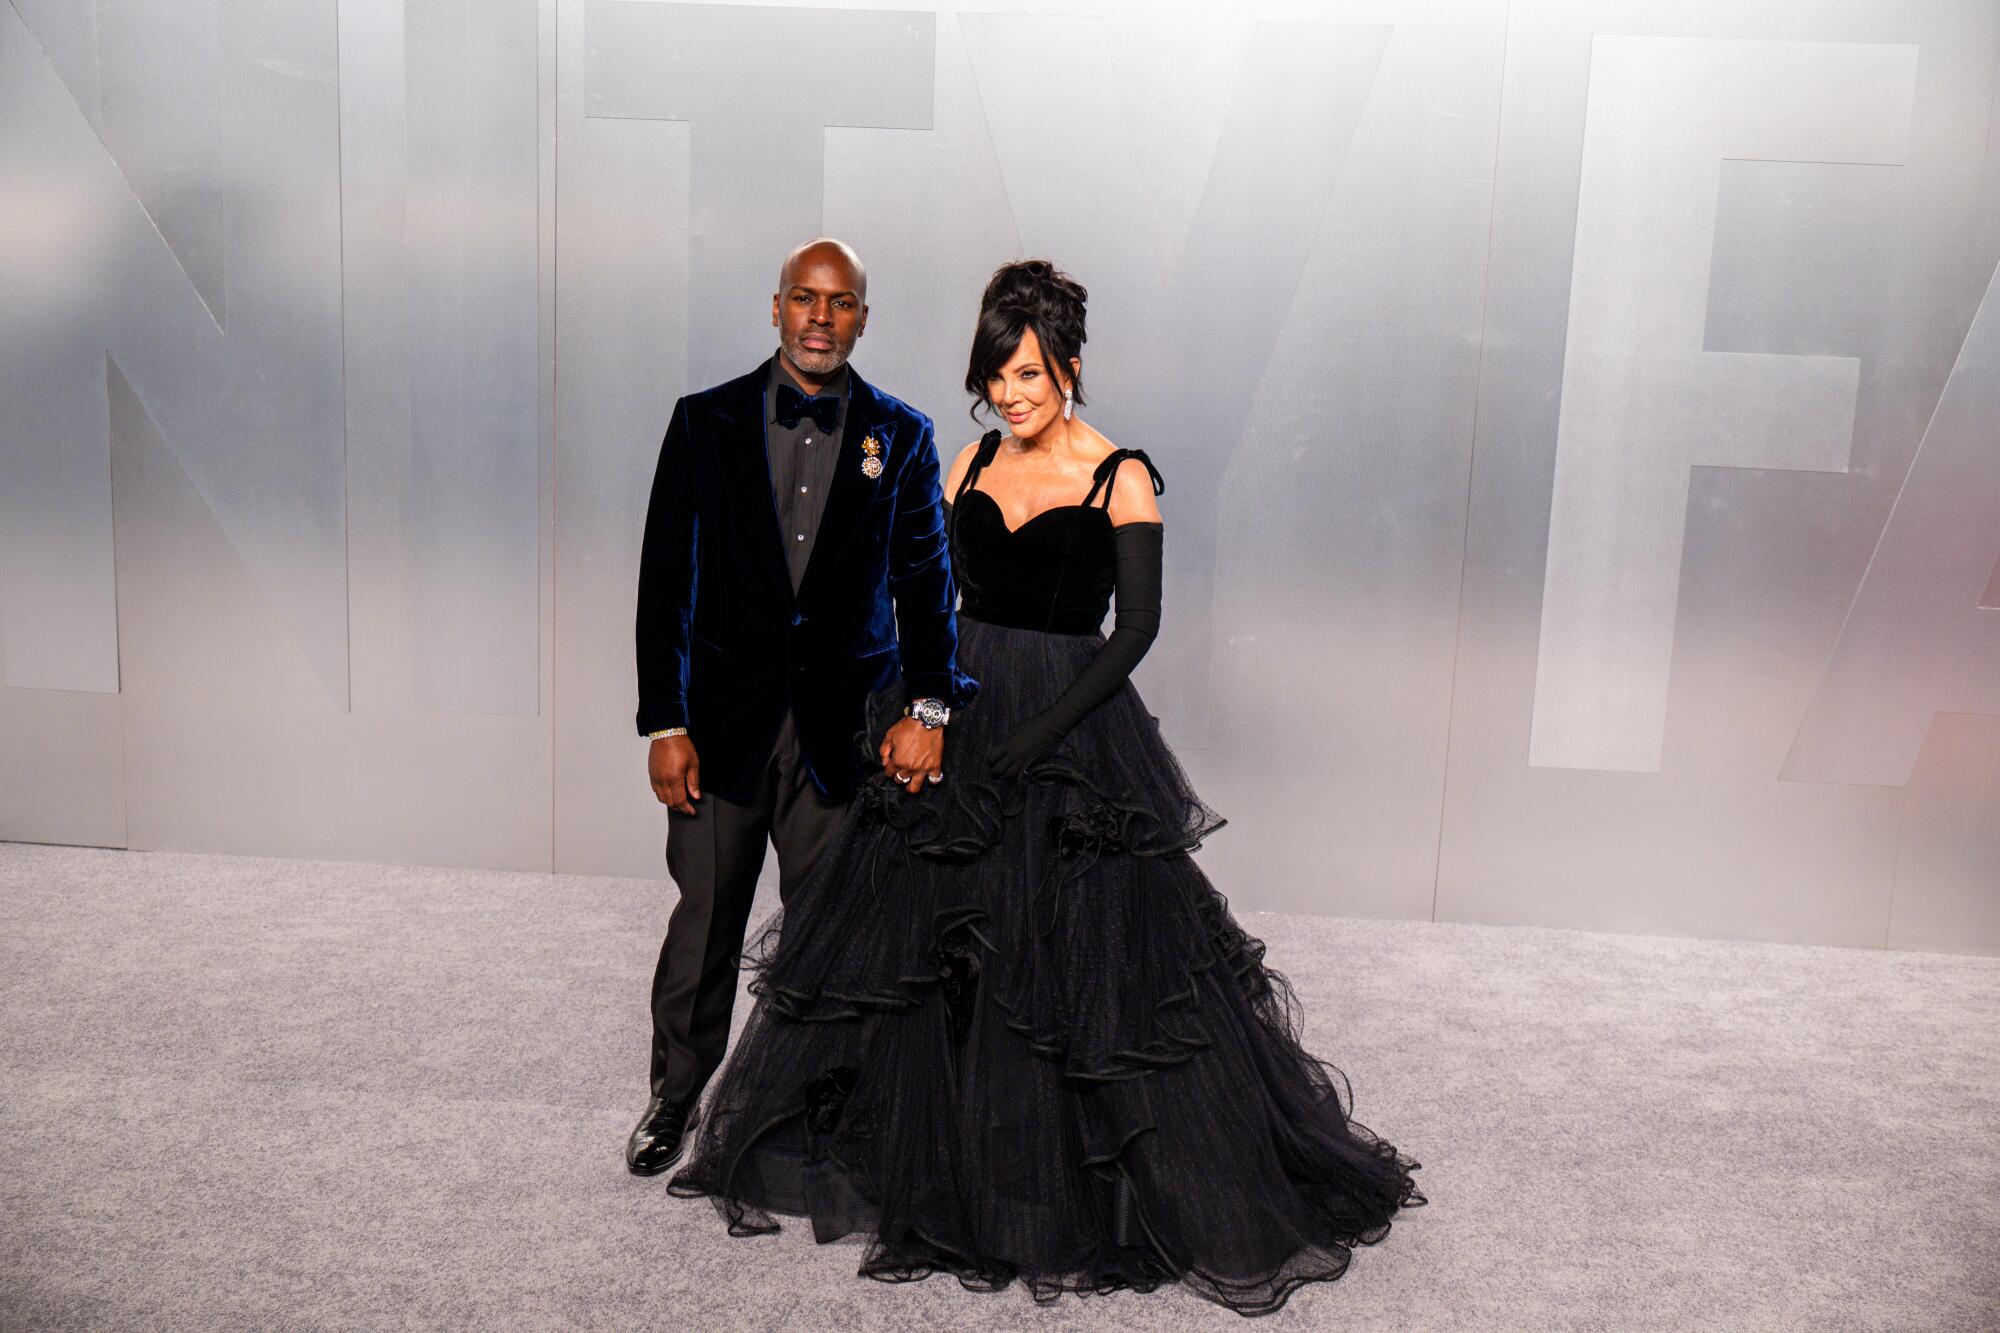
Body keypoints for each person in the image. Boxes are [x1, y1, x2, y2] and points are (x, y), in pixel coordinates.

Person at [666, 259, 1425, 1315]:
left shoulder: (1122, 475)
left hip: (1069, 729)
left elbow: (1140, 629)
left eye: (1026, 373)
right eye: (995, 376)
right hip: (956, 709)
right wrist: (910, 710)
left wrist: (1033, 737)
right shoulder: (966, 459)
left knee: (1076, 964)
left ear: (1067, 364)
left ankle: (1055, 1184)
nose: (1010, 396)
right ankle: (941, 1162)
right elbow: (918, 593)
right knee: (932, 947)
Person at [628, 238, 977, 1176]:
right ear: (776, 306)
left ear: (864, 316)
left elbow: (924, 582)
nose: (822, 317)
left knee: (830, 932)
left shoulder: (900, 437)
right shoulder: (703, 422)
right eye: (805, 299)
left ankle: (819, 1105)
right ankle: (676, 1095)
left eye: (842, 302)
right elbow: (666, 580)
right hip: (718, 729)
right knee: (704, 925)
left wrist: (932, 709)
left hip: (842, 732)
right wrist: (663, 722)